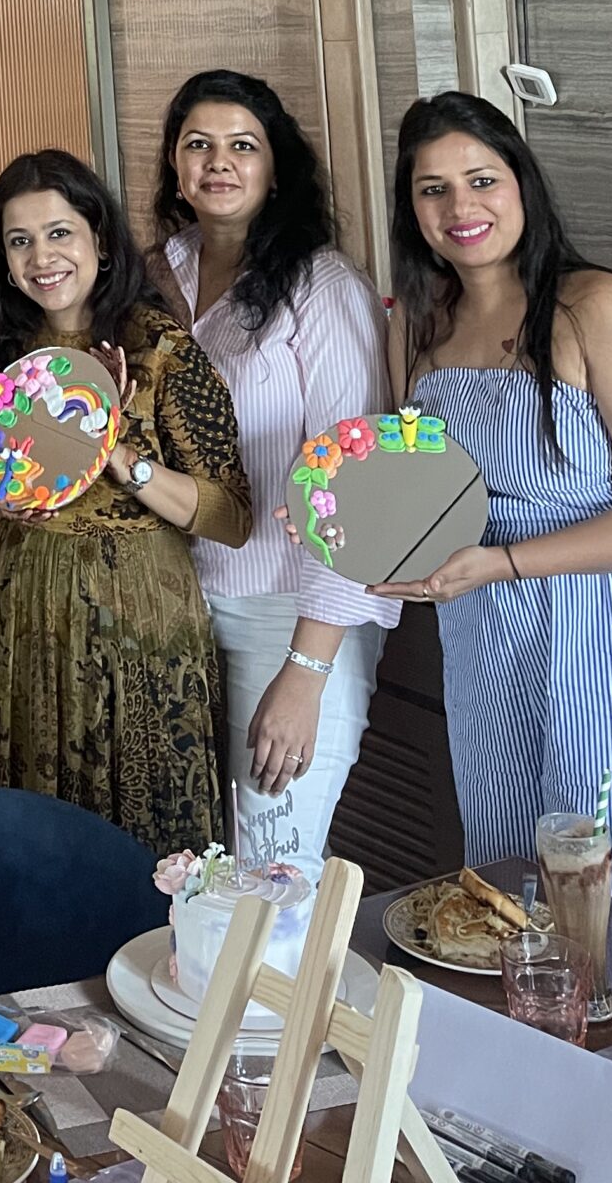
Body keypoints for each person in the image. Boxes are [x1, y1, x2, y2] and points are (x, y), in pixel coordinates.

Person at [380, 91, 612, 934]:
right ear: (411, 209)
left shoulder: (594, 307)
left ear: (522, 183)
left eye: (481, 180)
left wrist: (506, 561)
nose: (461, 207)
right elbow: (417, 483)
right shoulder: (415, 321)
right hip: (484, 626)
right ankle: (536, 1016)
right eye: (432, 189)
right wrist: (341, 521)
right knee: (509, 865)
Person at [0, 148, 251, 855]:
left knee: (144, 836)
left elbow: (232, 516)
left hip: (139, 616)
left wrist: (119, 457)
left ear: (100, 239)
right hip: (29, 609)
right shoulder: (4, 352)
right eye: (20, 240)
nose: (42, 257)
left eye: (60, 232)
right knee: (40, 837)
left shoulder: (160, 349)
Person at [151, 72, 397, 877]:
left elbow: (357, 487)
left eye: (242, 146)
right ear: (175, 167)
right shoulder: (158, 275)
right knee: (193, 861)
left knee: (270, 865)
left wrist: (306, 672)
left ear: (276, 168)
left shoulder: (324, 288)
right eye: (198, 145)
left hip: (287, 612)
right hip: (177, 604)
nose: (218, 162)